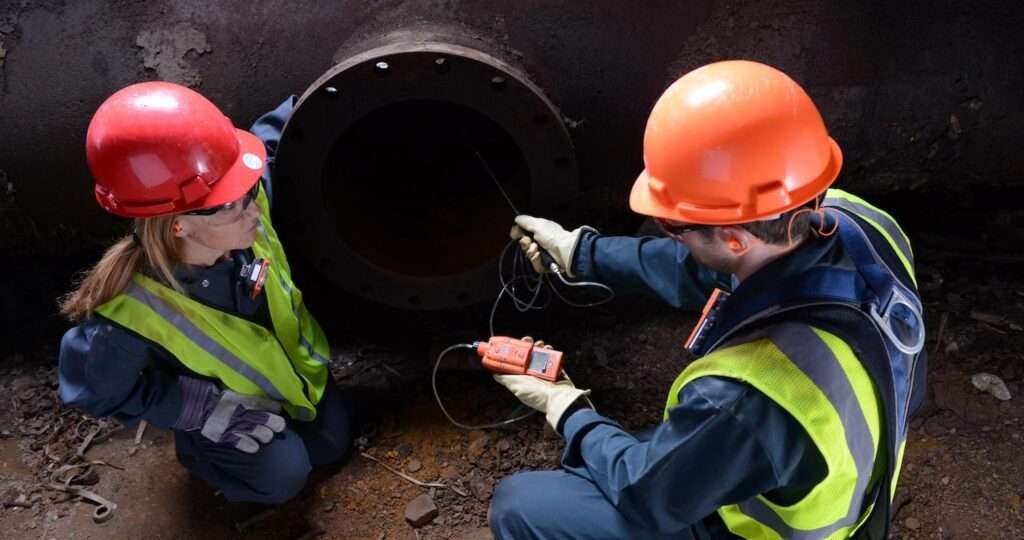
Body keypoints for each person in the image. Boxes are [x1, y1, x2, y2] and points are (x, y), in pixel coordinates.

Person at [489, 60, 927, 539]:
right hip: (832, 474)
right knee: (612, 461)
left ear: (736, 238)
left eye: (675, 226)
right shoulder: (858, 221)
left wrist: (568, 409)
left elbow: (644, 491)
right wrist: (583, 253)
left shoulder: (748, 395)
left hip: (770, 530)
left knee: (522, 505)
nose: (671, 235)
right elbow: (705, 265)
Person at [58, 82, 354, 505]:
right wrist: (190, 408)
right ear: (179, 224)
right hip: (230, 411)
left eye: (247, 190)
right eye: (232, 202)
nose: (253, 207)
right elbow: (93, 390)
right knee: (284, 476)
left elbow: (278, 133)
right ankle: (202, 454)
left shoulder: (244, 209)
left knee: (330, 446)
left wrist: (339, 89)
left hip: (296, 383)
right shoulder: (131, 312)